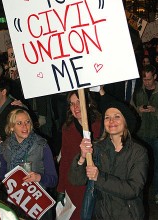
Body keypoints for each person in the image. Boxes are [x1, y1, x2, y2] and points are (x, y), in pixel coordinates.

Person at [69, 100, 148, 220]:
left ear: (125, 121)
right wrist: (82, 157)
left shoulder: (138, 152)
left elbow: (133, 189)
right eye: (107, 117)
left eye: (117, 117)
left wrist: (99, 178)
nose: (111, 121)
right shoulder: (96, 148)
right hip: (101, 214)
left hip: (128, 214)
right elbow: (76, 180)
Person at [56, 90, 101, 219]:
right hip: (75, 185)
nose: (75, 107)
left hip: (97, 184)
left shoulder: (101, 125)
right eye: (72, 104)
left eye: (79, 102)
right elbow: (65, 160)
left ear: (88, 104)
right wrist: (61, 188)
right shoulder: (67, 128)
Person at [132, 65, 158, 204]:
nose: (147, 82)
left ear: (155, 77)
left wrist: (155, 110)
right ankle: (140, 194)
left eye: (149, 79)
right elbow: (130, 114)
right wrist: (138, 110)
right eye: (144, 79)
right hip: (141, 135)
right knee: (140, 167)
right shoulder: (137, 92)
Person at [0, 108, 58, 189]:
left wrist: (39, 177)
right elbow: (3, 176)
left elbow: (53, 180)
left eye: (27, 122)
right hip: (14, 196)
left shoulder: (42, 145)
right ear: (11, 127)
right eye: (19, 123)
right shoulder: (5, 147)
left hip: (37, 196)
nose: (25, 126)